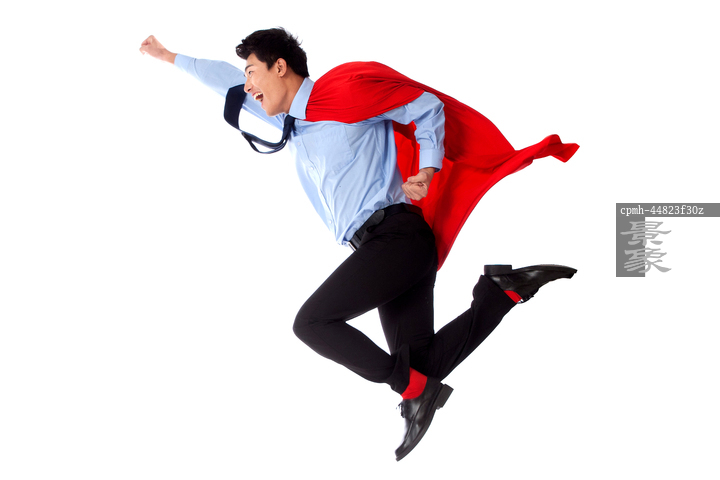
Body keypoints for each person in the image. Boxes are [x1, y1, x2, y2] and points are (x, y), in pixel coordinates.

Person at [139, 28, 578, 461]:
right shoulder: (289, 123)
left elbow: (425, 106)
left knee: (312, 323)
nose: (248, 83)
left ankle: (412, 390)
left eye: (252, 71)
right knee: (423, 364)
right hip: (384, 250)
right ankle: (499, 294)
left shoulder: (344, 97)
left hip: (396, 237)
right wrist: (169, 56)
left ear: (280, 67)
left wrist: (427, 168)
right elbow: (223, 81)